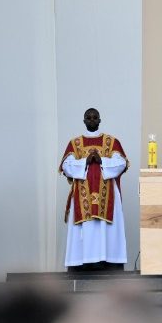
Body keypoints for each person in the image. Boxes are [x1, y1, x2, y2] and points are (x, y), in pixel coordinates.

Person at [59, 108, 129, 271]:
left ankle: (109, 260)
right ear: (84, 120)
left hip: (108, 193)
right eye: (88, 118)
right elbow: (66, 165)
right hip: (82, 196)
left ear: (99, 120)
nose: (91, 120)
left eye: (94, 117)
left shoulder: (111, 142)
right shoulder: (75, 143)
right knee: (87, 227)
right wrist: (85, 161)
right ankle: (84, 261)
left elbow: (122, 163)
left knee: (105, 228)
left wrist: (102, 160)